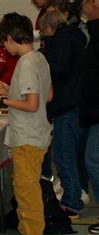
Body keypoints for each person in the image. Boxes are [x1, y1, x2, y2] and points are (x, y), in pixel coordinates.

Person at [0, 13, 53, 235]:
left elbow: (32, 104)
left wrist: (2, 103)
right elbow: (48, 95)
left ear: (9, 38)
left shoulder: (25, 64)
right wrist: (9, 90)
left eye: (3, 42)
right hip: (38, 134)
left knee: (27, 193)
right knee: (27, 188)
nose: (4, 47)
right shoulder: (39, 58)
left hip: (27, 138)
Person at [39, 10, 87, 219]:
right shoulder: (76, 39)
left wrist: (41, 58)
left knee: (64, 157)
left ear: (49, 28)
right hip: (78, 105)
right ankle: (75, 198)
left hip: (65, 107)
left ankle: (71, 204)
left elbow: (57, 71)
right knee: (72, 157)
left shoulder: (59, 43)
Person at [80, 0, 99, 235]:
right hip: (93, 110)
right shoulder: (92, 34)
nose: (83, 5)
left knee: (93, 159)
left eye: (88, 1)